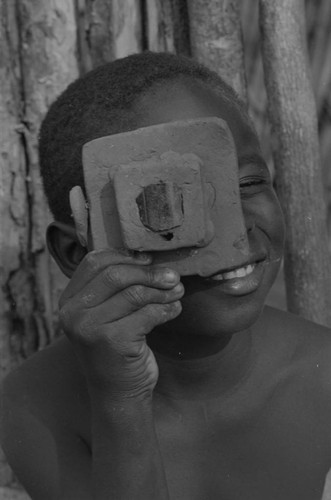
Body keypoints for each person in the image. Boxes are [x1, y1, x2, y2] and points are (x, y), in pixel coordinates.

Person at [1, 51, 331, 500]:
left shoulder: (323, 376)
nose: (229, 226)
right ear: (78, 251)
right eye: (166, 202)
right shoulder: (33, 404)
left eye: (249, 183)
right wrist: (121, 397)